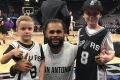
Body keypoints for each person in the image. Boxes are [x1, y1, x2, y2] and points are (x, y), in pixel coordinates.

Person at [9, 19, 77, 80]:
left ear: (64, 34)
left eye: (59, 32)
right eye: (51, 32)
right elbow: (13, 72)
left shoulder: (73, 49)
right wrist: (15, 68)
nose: (55, 35)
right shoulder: (38, 51)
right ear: (45, 34)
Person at [75, 0, 115, 80]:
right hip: (81, 71)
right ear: (83, 15)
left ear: (100, 15)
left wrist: (107, 58)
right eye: (88, 13)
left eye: (95, 13)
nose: (91, 16)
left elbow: (112, 53)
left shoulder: (105, 33)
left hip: (96, 74)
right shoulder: (80, 31)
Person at [0, 15, 45, 80]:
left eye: (29, 28)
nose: (27, 31)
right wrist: (12, 52)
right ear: (17, 30)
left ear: (33, 29)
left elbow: (42, 63)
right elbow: (2, 61)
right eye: (23, 29)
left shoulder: (39, 46)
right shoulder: (14, 45)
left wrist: (41, 78)